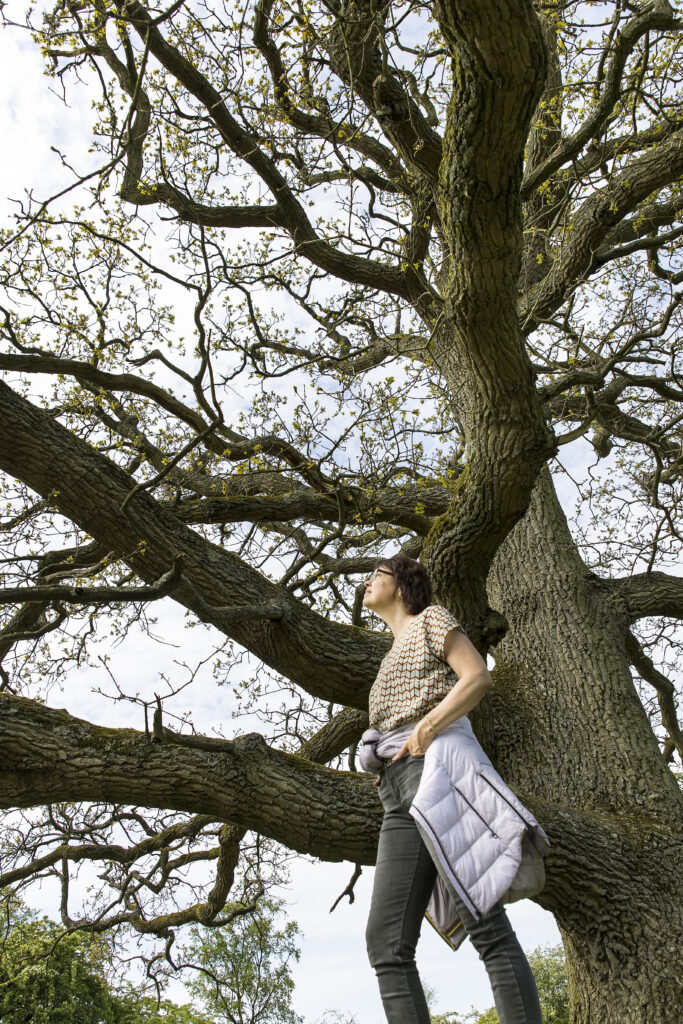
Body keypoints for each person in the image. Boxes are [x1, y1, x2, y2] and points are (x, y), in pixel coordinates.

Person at [362, 554, 544, 1024]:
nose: (365, 583)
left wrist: (428, 726)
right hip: (395, 795)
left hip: (436, 771)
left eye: (375, 575)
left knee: (484, 920)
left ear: (401, 585)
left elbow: (477, 676)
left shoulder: (432, 620)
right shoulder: (385, 659)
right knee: (385, 943)